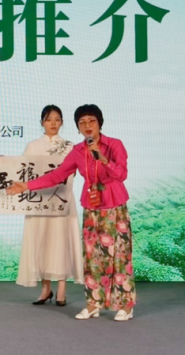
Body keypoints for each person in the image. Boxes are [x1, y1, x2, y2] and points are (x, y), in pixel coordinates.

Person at [7, 104, 135, 322]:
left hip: (114, 204)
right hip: (91, 206)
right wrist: (26, 186)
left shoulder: (114, 144)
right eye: (82, 123)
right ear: (77, 127)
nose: (87, 126)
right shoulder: (77, 151)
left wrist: (103, 158)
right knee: (92, 257)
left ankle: (125, 305)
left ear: (100, 123)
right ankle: (93, 304)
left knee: (119, 255)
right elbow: (57, 175)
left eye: (91, 121)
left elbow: (121, 174)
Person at [16, 105, 83, 307]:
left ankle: (61, 289)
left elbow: (73, 172)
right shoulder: (32, 146)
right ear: (42, 122)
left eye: (57, 119)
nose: (53, 123)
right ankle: (45, 289)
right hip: (39, 202)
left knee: (60, 241)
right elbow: (23, 171)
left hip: (61, 200)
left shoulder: (70, 146)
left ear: (62, 122)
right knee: (41, 241)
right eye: (48, 119)